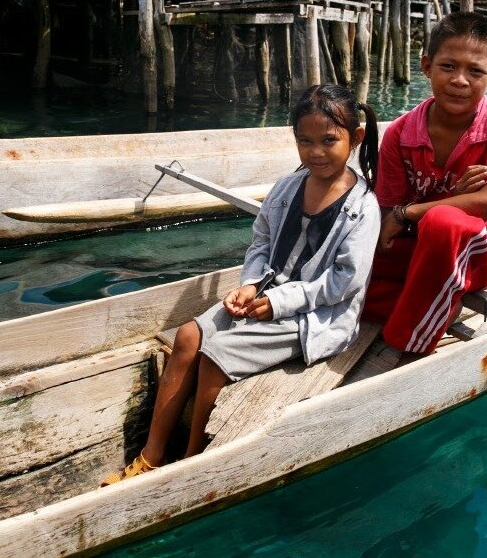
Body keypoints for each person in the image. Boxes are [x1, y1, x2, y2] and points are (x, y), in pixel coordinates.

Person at [102, 84, 381, 485]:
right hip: (264, 295)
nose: (315, 152)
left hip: (314, 317)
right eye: (305, 141)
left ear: (354, 138)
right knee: (186, 337)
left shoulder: (363, 207)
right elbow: (262, 241)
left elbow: (342, 284)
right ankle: (151, 456)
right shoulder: (288, 186)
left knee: (215, 357)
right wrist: (250, 284)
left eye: (328, 141)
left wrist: (278, 302)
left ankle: (191, 459)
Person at [364, 12, 487, 357]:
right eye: (448, 66)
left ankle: (411, 341)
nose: (460, 80)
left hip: (486, 247)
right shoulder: (400, 132)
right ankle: (438, 302)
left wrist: (411, 212)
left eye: (475, 71)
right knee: (356, 247)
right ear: (426, 67)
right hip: (421, 241)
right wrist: (450, 198)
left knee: (444, 222)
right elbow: (386, 211)